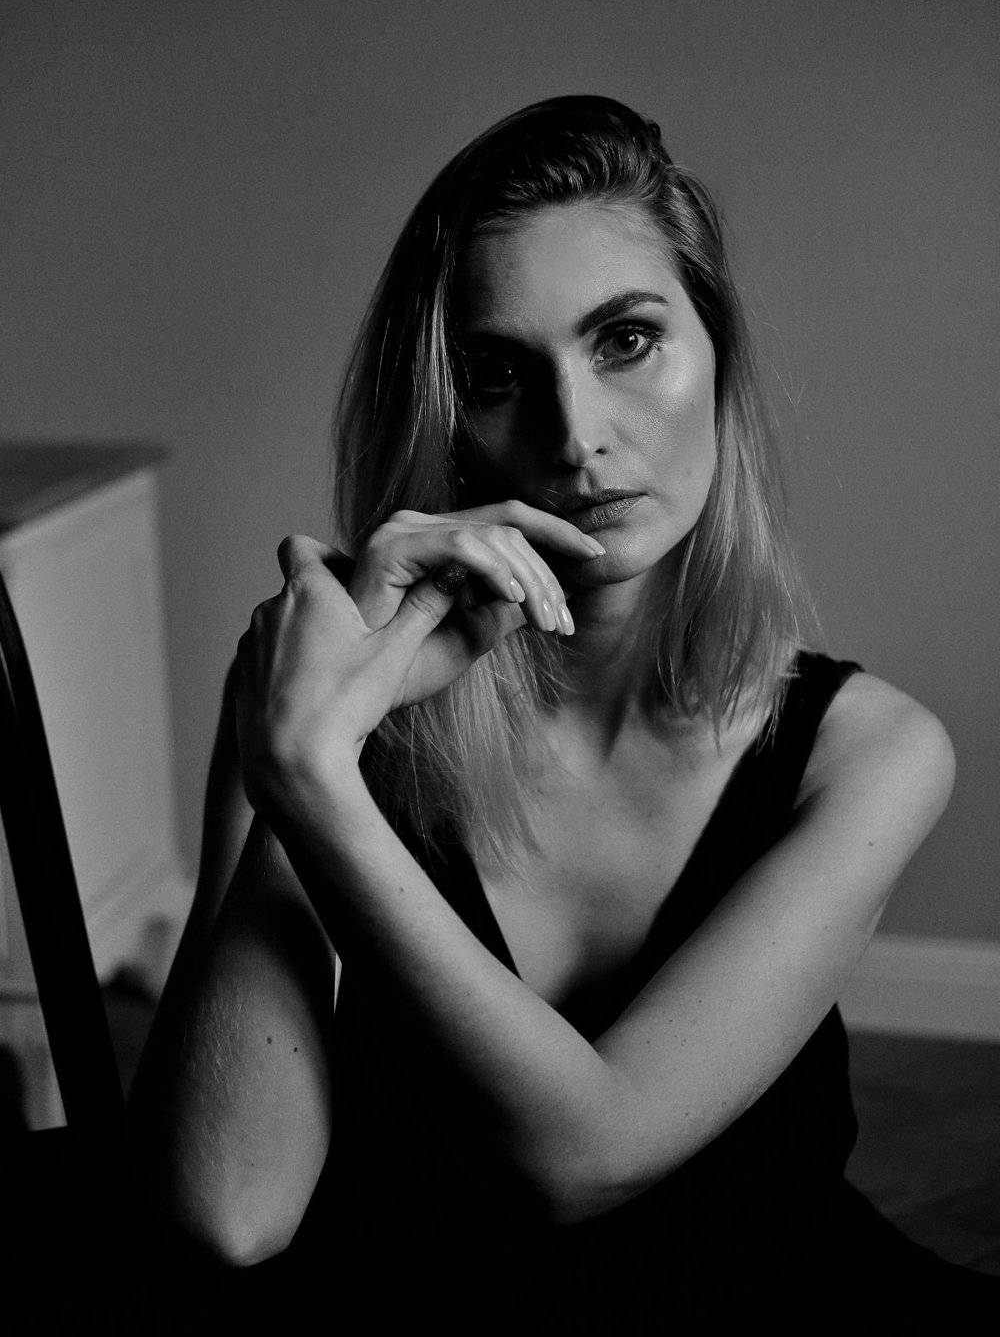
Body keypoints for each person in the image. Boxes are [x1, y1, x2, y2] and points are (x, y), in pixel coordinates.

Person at [129, 96, 996, 1328]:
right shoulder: (318, 699)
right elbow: (229, 1210)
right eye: (496, 374)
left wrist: (312, 772)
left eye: (626, 340)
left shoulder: (872, 753)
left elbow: (588, 1155)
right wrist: (316, 753)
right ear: (450, 421)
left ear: (717, 356)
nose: (577, 435)